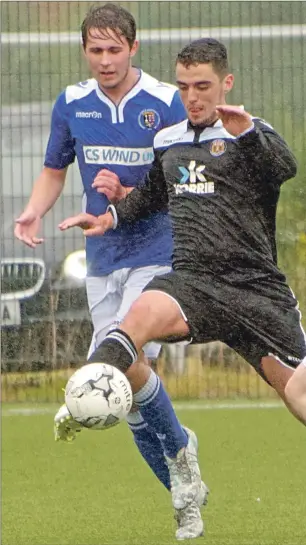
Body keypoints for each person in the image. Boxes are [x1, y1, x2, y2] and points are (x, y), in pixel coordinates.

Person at [59, 36, 306, 534]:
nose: (193, 96)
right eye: (185, 85)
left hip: (255, 291)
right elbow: (151, 194)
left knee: (300, 397)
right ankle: (86, 390)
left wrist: (250, 133)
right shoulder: (168, 139)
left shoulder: (249, 133)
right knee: (134, 324)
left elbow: (286, 169)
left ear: (225, 83)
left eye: (204, 86)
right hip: (190, 282)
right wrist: (109, 217)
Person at [14, 3, 208, 537]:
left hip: (158, 254)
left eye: (114, 50)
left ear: (134, 48)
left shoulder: (166, 103)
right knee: (119, 385)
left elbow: (185, 178)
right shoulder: (73, 103)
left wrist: (128, 196)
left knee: (120, 363)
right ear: (84, 51)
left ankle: (183, 471)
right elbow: (54, 170)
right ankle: (181, 476)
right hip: (102, 261)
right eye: (95, 50)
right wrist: (35, 209)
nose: (104, 60)